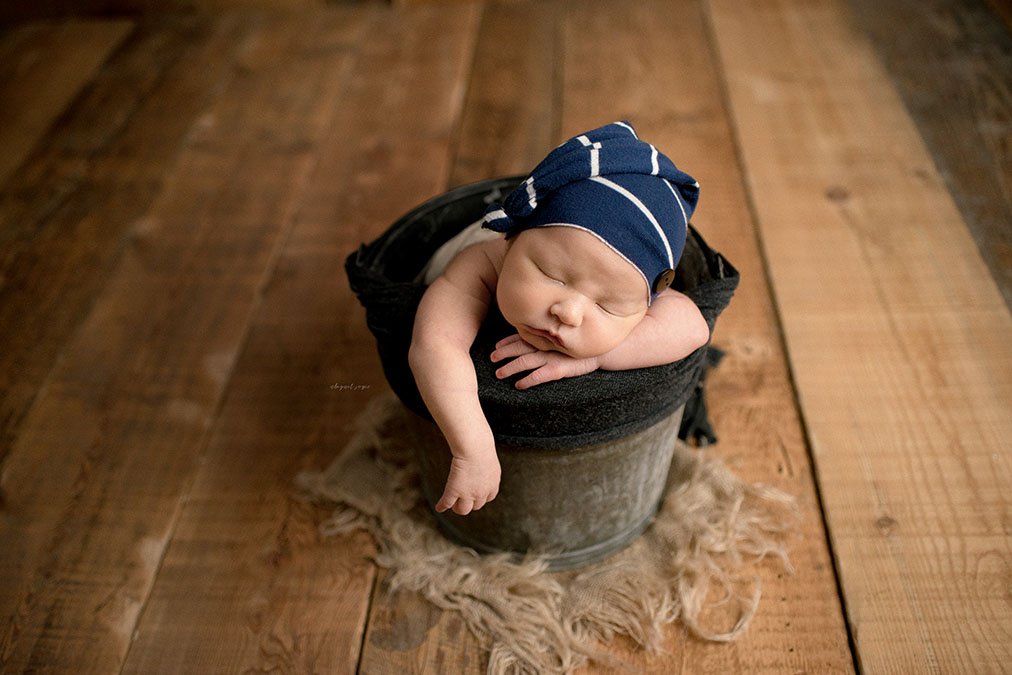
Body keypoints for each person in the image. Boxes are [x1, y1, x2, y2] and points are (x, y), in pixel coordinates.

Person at [409, 121, 710, 516]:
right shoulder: (480, 262)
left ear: (649, 303)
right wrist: (473, 448)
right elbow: (435, 345)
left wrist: (598, 357)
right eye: (552, 275)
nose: (568, 312)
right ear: (514, 239)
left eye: (607, 306)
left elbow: (694, 327)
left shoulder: (636, 286)